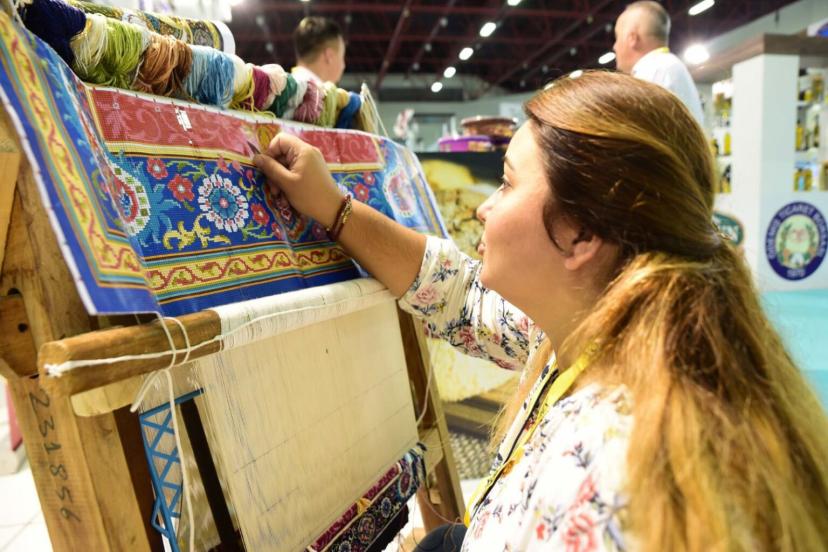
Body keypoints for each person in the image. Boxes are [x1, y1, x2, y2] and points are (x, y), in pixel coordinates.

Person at [254, 72, 828, 550]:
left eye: (506, 184)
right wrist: (333, 207)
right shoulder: (608, 326)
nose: (483, 209)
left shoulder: (605, 479)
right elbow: (459, 296)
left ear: (580, 235)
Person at [613, 1, 705, 125]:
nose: (614, 46)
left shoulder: (654, 72)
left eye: (617, 38)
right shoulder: (669, 67)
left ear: (633, 38)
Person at [292, 16, 346, 84]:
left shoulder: (288, 85)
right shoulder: (315, 89)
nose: (343, 66)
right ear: (329, 56)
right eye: (342, 57)